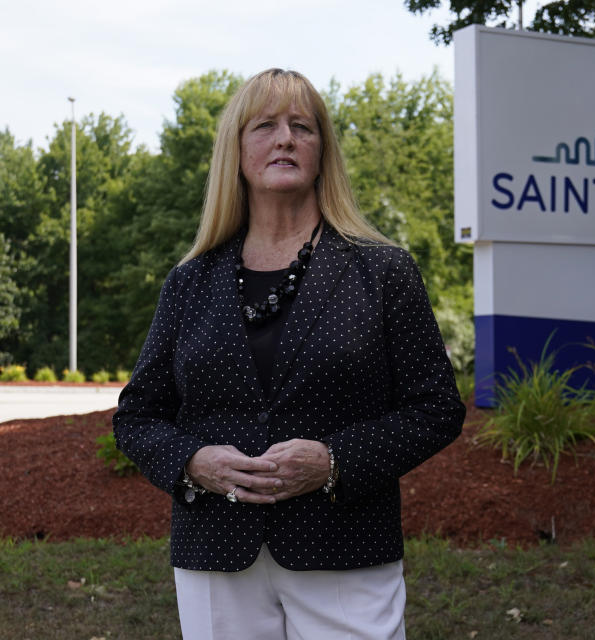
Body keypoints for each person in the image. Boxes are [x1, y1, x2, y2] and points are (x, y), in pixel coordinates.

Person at [113, 68, 465, 639]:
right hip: (216, 550)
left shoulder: (382, 272)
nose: (285, 139)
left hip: (345, 548)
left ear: (323, 151)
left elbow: (437, 409)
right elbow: (137, 416)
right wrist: (193, 463)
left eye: (302, 126)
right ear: (237, 150)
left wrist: (333, 461)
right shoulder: (189, 282)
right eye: (266, 126)